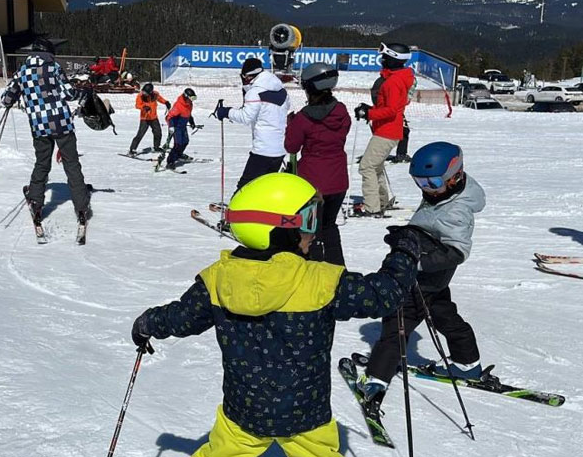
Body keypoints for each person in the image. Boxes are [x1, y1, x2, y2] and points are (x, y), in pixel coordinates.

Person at [130, 172, 420, 457]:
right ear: (281, 229)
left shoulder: (218, 279)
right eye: (309, 220)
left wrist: (147, 323)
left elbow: (181, 318)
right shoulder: (322, 280)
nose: (314, 231)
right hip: (307, 416)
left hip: (243, 413)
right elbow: (387, 293)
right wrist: (405, 251)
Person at [357, 142, 486, 417]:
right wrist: (407, 235)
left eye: (433, 181)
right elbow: (430, 225)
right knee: (443, 315)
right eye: (420, 182)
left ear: (455, 176)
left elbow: (457, 251)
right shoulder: (444, 193)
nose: (427, 187)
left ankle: (376, 380)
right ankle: (467, 364)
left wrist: (417, 260)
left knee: (396, 326)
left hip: (422, 278)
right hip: (433, 281)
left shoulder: (456, 209)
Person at [1, 38, 90, 227]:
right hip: (61, 124)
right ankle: (81, 205)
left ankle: (36, 201)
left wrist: (14, 99)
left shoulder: (22, 72)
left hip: (39, 126)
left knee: (42, 163)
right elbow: (68, 93)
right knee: (71, 163)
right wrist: (81, 92)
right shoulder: (53, 68)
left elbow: (7, 98)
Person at [284, 63, 351, 265]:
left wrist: (292, 126)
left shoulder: (303, 118)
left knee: (309, 231)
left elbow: (291, 147)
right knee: (329, 226)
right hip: (338, 180)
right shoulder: (341, 111)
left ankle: (313, 271)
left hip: (311, 185)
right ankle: (337, 269)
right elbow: (342, 131)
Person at [353, 43, 415, 216]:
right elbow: (387, 105)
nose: (382, 60)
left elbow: (391, 110)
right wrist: (370, 109)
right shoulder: (396, 78)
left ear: (394, 60)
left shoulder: (393, 81)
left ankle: (372, 207)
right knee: (376, 166)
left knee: (366, 167)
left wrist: (369, 114)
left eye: (385, 58)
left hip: (387, 131)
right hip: (387, 130)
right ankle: (380, 201)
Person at [214, 57, 290, 191]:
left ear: (248, 76)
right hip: (280, 148)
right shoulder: (281, 89)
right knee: (265, 186)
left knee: (246, 186)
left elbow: (245, 117)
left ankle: (237, 210)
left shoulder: (255, 92)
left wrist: (226, 112)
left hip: (263, 149)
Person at [129, 83, 170, 155]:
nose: (144, 93)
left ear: (150, 92)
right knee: (140, 134)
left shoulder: (155, 94)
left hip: (154, 117)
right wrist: (143, 107)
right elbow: (137, 105)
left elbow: (160, 98)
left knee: (158, 132)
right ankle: (132, 149)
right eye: (143, 91)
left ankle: (156, 147)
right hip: (144, 118)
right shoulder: (140, 96)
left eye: (146, 92)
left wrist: (166, 102)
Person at [164, 88, 197, 170]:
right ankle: (170, 161)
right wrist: (171, 126)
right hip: (176, 127)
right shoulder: (178, 105)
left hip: (183, 126)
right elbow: (169, 117)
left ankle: (178, 155)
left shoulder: (189, 104)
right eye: (192, 98)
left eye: (194, 98)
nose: (192, 100)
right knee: (178, 144)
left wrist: (192, 122)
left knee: (185, 142)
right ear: (186, 97)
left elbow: (188, 114)